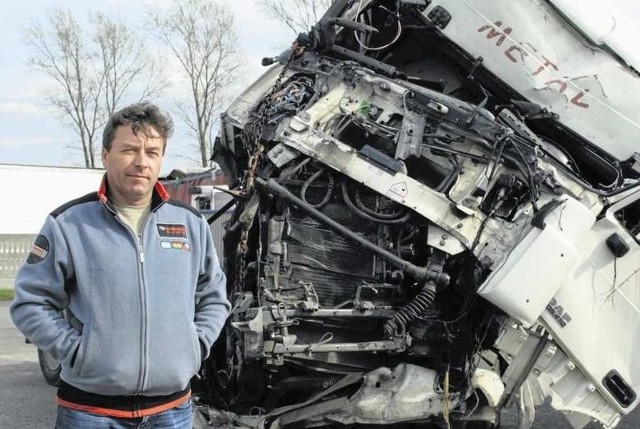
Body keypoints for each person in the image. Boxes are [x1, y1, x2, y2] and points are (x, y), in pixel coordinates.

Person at [10, 101, 231, 428]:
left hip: (172, 412)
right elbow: (30, 303)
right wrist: (78, 352)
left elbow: (214, 297)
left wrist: (193, 346)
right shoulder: (68, 224)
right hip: (90, 413)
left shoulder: (190, 225)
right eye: (129, 150)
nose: (141, 162)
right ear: (105, 155)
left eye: (152, 152)